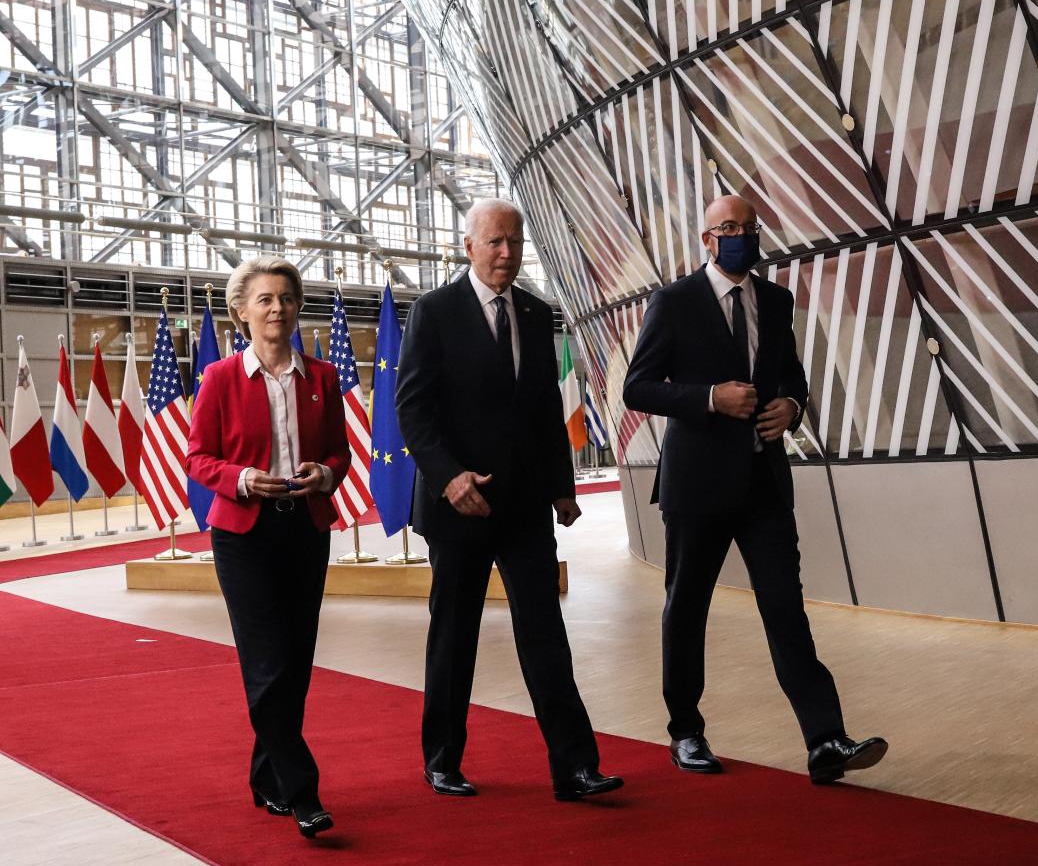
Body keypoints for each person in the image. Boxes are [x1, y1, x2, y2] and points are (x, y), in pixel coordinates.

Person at [623, 194, 887, 784]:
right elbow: (637, 388)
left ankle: (825, 741)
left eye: (748, 227)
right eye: (728, 228)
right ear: (706, 238)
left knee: (786, 608)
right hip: (697, 486)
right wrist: (709, 397)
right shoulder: (674, 302)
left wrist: (792, 406)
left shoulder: (775, 299)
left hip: (764, 483)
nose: (741, 235)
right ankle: (686, 731)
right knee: (686, 609)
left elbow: (789, 373)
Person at [396, 199, 622, 803]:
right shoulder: (433, 311)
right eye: (495, 241)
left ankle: (574, 768)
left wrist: (561, 487)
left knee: (545, 631)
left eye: (515, 242)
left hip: (523, 507)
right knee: (455, 634)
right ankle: (442, 759)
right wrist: (449, 478)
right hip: (457, 506)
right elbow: (412, 410)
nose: (507, 252)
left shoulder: (535, 311)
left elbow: (546, 412)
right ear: (466, 246)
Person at [186, 256, 350, 838]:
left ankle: (265, 776)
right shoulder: (220, 379)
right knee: (266, 660)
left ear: (297, 305)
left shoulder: (324, 378)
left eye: (285, 297)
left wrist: (324, 476)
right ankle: (302, 791)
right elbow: (198, 458)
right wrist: (241, 479)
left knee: (295, 661)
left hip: (304, 529)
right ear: (241, 313)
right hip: (244, 536)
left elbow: (340, 453)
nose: (276, 308)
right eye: (264, 299)